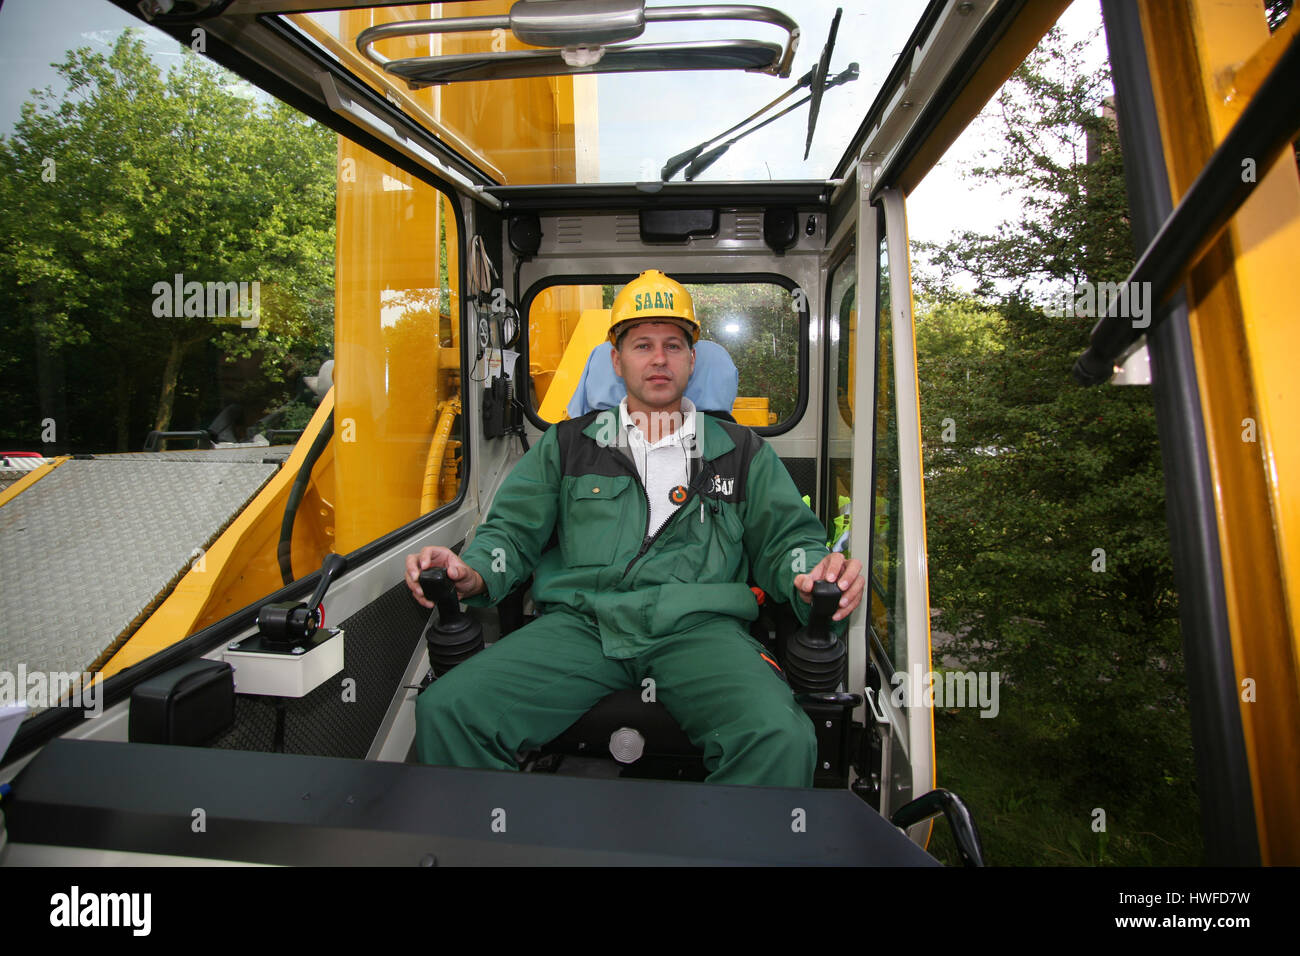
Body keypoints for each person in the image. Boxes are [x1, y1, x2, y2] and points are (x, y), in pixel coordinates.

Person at [406, 269, 864, 787]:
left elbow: (789, 543)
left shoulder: (742, 453)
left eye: (674, 344)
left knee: (779, 737)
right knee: (449, 710)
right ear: (616, 361)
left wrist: (812, 574)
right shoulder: (566, 445)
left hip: (701, 629)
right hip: (585, 624)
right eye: (642, 344)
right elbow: (510, 533)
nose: (659, 358)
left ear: (693, 360)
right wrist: (471, 571)